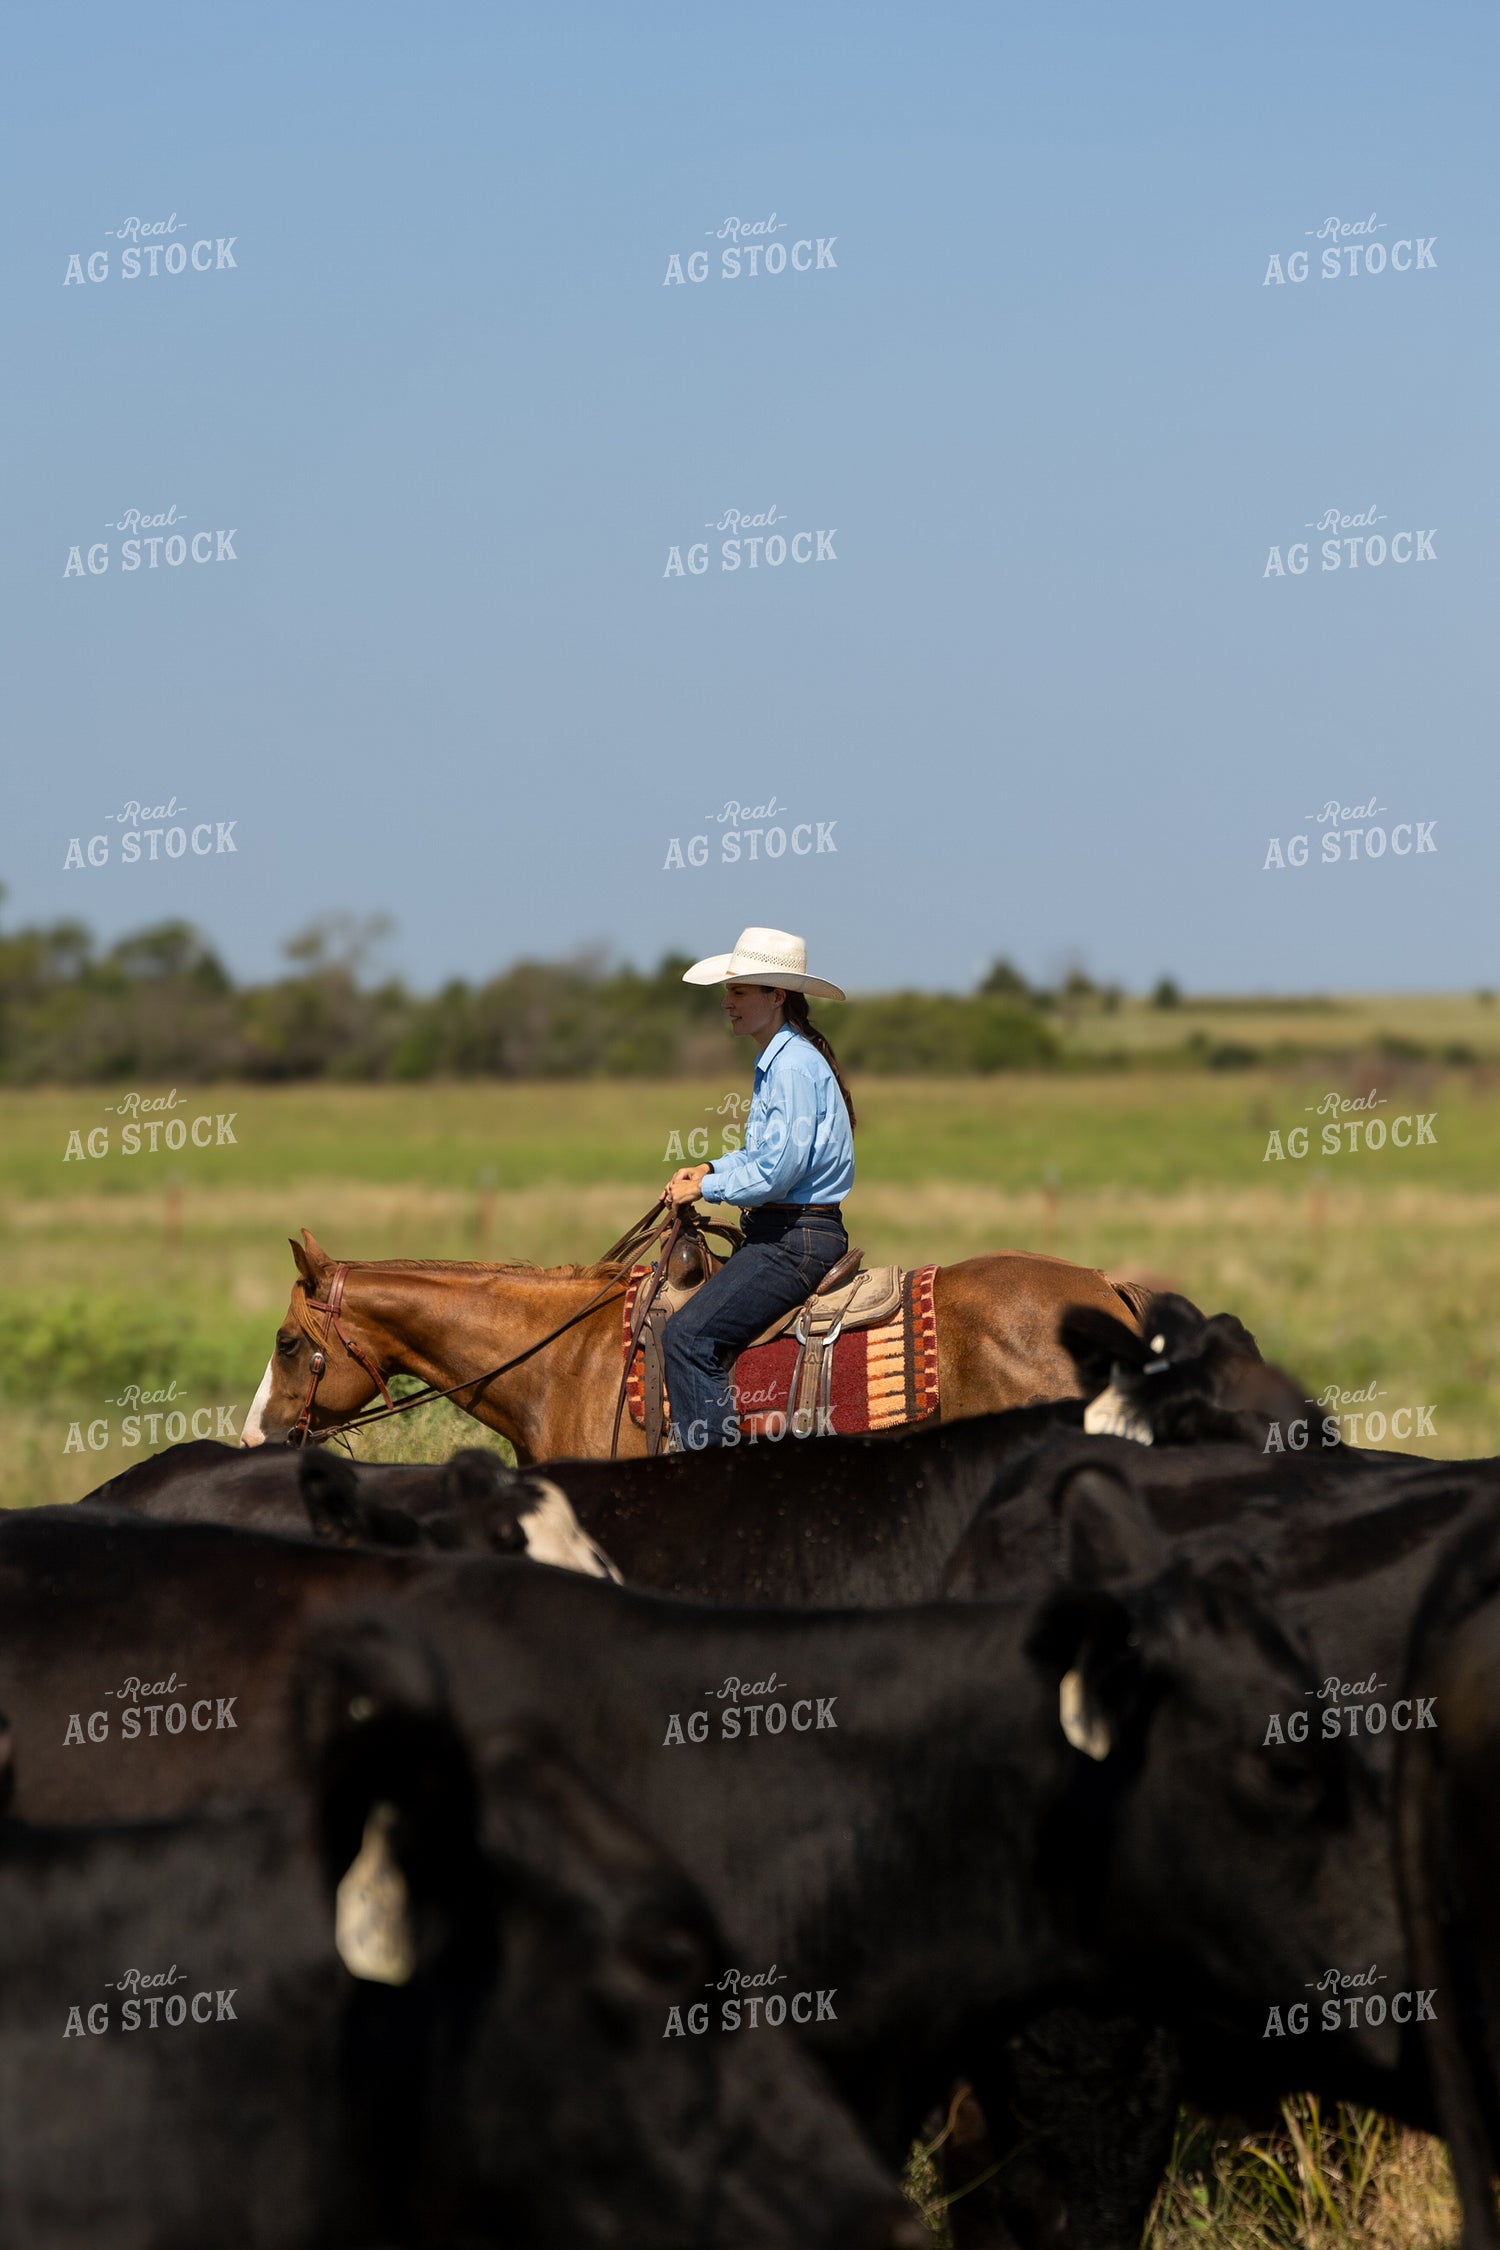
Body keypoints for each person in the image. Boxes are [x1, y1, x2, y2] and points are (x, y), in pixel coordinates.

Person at [661, 926, 856, 1448]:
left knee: (687, 1336)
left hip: (793, 1240)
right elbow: (765, 1155)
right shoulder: (784, 1057)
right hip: (792, 1231)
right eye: (728, 991)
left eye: (739, 991)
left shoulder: (790, 1066)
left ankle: (717, 1479)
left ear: (777, 996)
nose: (726, 1003)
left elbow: (777, 1174)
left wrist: (708, 1190)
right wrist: (708, 1168)